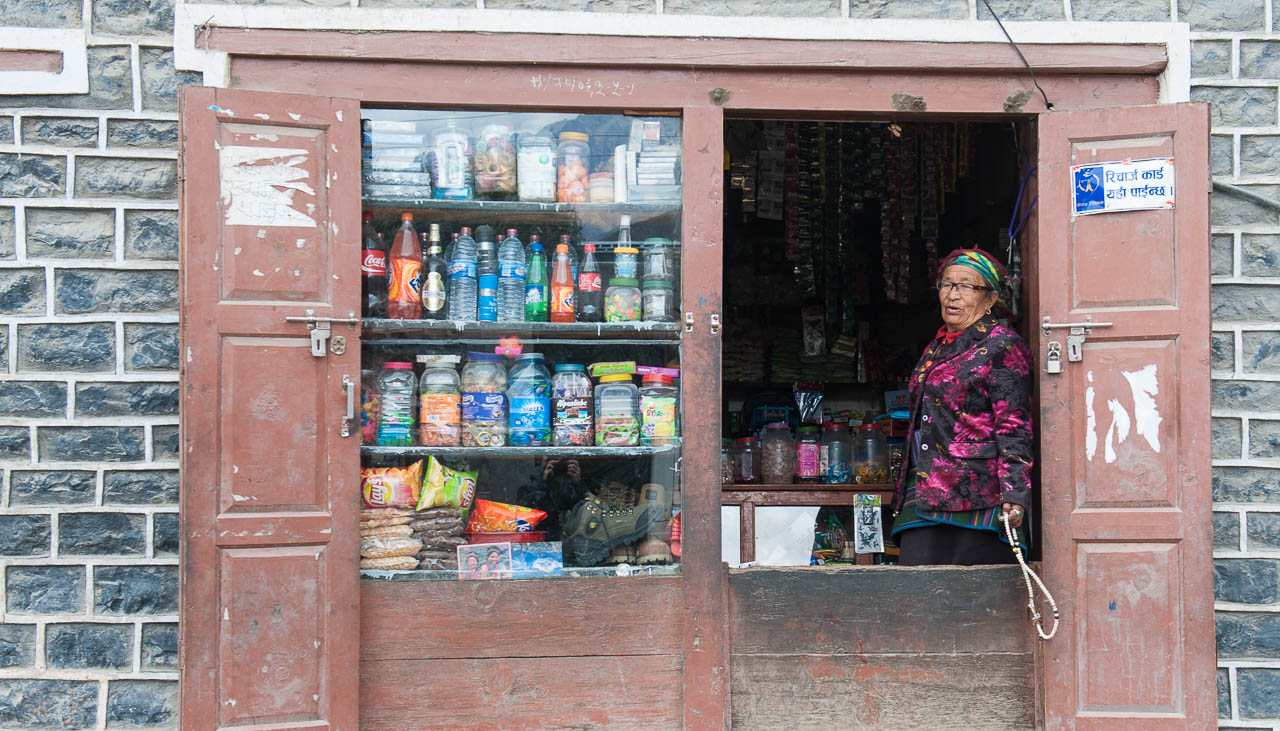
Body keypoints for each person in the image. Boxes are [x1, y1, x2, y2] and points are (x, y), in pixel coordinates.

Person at [890, 248, 1034, 565]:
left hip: (977, 490)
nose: (953, 295)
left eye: (967, 286)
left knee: (971, 595)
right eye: (947, 285)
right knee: (915, 587)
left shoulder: (1002, 345)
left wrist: (1015, 493)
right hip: (927, 486)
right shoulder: (937, 346)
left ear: (990, 298)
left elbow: (1015, 426)